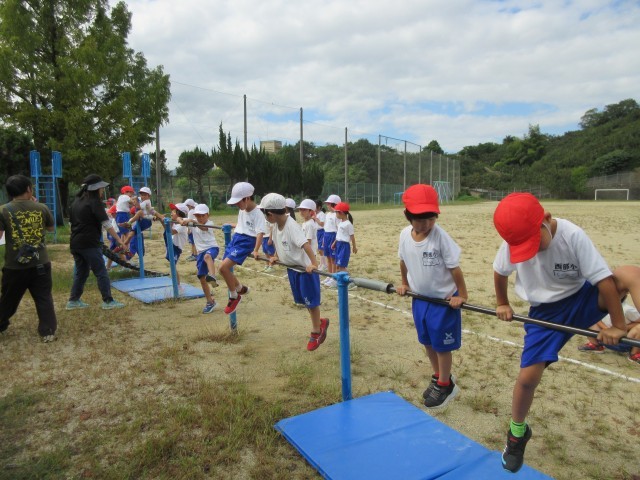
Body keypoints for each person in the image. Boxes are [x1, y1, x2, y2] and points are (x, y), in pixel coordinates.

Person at [492, 192, 630, 473]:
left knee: (630, 274)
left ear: (546, 219)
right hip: (544, 314)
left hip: (581, 299)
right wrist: (502, 302)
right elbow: (499, 272)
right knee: (527, 378)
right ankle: (517, 434)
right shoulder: (512, 242)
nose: (532, 252)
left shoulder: (572, 235)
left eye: (535, 243)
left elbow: (604, 281)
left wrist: (618, 325)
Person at [396, 184, 467, 410]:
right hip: (420, 299)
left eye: (431, 218)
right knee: (427, 341)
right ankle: (438, 376)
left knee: (442, 346)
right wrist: (405, 283)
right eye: (420, 218)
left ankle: (446, 384)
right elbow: (403, 261)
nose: (426, 223)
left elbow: (454, 268)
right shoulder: (404, 235)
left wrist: (461, 294)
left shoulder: (440, 237)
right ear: (407, 215)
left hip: (443, 301)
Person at [260, 193, 329, 351]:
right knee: (304, 301)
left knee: (311, 302)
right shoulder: (276, 225)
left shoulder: (291, 226)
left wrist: (314, 264)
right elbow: (278, 243)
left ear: (270, 214)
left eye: (264, 214)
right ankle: (320, 322)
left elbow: (305, 245)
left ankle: (316, 331)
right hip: (292, 269)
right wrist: (276, 256)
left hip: (305, 271)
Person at [0, 174, 57, 342]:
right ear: (28, 189)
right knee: (43, 297)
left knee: (9, 298)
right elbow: (51, 228)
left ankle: (1, 323)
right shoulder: (41, 208)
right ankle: (47, 331)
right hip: (40, 262)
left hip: (14, 265)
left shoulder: (3, 210)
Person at [67, 174, 127, 310]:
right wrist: (119, 240)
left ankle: (73, 300)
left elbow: (71, 223)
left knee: (81, 272)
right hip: (89, 244)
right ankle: (108, 301)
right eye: (101, 188)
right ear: (96, 189)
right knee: (101, 271)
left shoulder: (76, 202)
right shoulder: (95, 203)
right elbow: (107, 224)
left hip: (75, 243)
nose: (102, 191)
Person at [218, 182, 264, 315]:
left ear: (247, 198)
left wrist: (256, 250)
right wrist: (231, 225)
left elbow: (260, 233)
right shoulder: (242, 210)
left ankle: (234, 296)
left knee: (223, 268)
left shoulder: (258, 213)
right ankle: (239, 288)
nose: (237, 205)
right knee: (223, 269)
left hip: (246, 242)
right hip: (236, 238)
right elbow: (242, 225)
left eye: (238, 202)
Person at [186, 204, 220, 313]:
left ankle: (213, 276)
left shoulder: (210, 223)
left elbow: (203, 228)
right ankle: (210, 301)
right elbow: (181, 221)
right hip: (200, 252)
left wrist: (192, 221)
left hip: (212, 248)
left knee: (207, 256)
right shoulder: (193, 223)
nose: (200, 218)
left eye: (203, 216)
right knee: (202, 278)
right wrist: (180, 220)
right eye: (198, 216)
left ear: (207, 215)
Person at [330, 202, 357, 289]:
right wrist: (334, 243)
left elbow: (352, 236)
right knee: (338, 265)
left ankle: (350, 282)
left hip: (344, 246)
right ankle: (339, 281)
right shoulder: (341, 223)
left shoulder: (348, 224)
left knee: (342, 266)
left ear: (341, 213)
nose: (336, 214)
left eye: (336, 212)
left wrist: (354, 247)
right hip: (338, 245)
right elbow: (339, 235)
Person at [321, 194, 340, 286]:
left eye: (329, 204)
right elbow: (325, 227)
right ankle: (329, 275)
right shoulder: (327, 214)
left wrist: (335, 240)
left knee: (333, 259)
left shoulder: (337, 215)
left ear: (334, 204)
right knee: (328, 257)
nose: (327, 206)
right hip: (327, 236)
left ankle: (334, 277)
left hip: (333, 236)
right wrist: (324, 240)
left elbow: (339, 229)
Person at [313, 199, 327, 271]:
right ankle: (322, 264)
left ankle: (324, 264)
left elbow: (322, 224)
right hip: (317, 232)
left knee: (321, 249)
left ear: (319, 207)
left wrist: (315, 219)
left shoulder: (322, 214)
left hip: (322, 232)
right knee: (319, 249)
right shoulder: (315, 214)